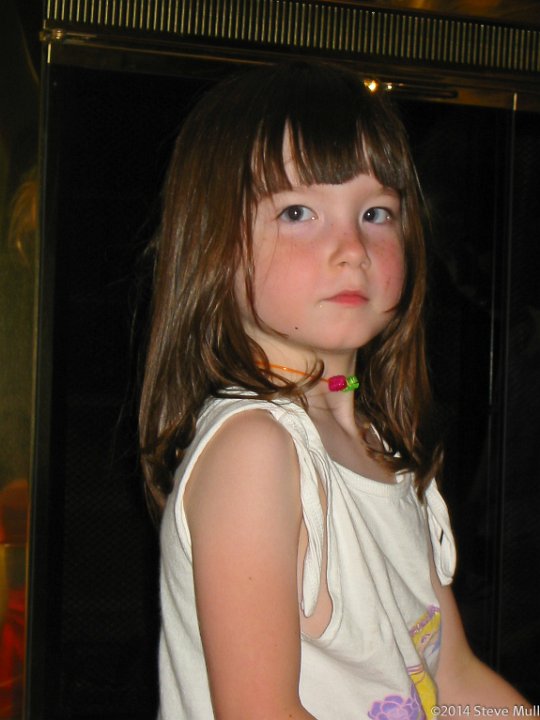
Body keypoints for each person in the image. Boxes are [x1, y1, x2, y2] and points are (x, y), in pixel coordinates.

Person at [139, 61, 529, 720]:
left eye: (376, 212)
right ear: (213, 245)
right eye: (297, 212)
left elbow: (452, 675)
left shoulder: (377, 444)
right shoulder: (256, 451)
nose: (352, 247)